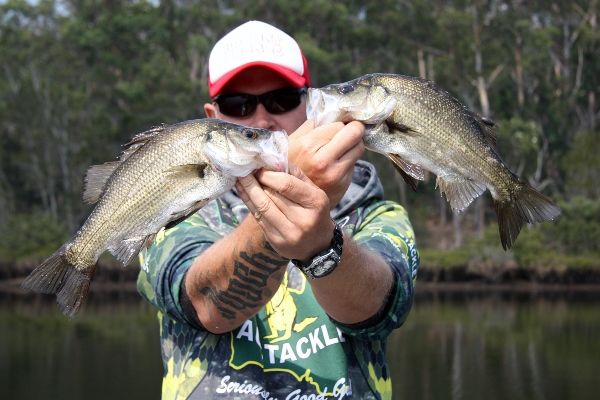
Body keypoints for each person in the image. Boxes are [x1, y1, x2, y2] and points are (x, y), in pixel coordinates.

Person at [137, 20, 419, 400]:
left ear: (311, 105)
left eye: (281, 100)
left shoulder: (375, 212)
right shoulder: (176, 210)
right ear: (211, 118)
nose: (262, 120)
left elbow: (378, 307)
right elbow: (206, 306)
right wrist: (292, 207)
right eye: (238, 105)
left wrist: (322, 243)